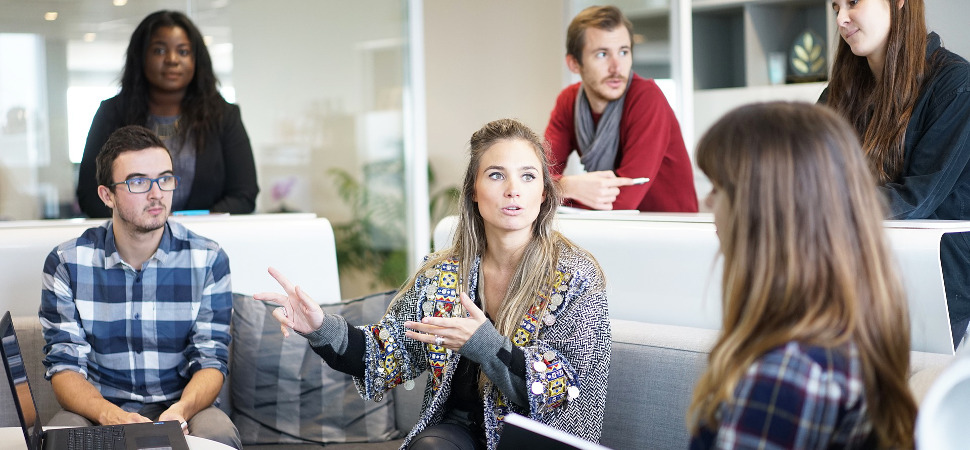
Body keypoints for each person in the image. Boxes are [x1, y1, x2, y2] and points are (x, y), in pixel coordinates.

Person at [255, 119, 611, 450]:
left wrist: (485, 345)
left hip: (536, 436)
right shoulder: (443, 273)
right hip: (456, 433)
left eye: (528, 176)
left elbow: (564, 389)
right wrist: (320, 328)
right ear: (474, 190)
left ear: (544, 194)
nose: (513, 190)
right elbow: (387, 353)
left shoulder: (577, 276)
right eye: (497, 175)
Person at [688, 102, 917, 448]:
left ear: (763, 211)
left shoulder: (786, 375)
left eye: (718, 188)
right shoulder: (847, 334)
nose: (707, 203)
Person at [41, 125, 240, 448]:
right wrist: (110, 415)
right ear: (107, 195)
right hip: (99, 408)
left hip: (182, 406)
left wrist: (180, 411)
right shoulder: (67, 262)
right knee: (60, 436)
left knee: (218, 433)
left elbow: (211, 359)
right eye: (138, 182)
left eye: (165, 178)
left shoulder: (208, 259)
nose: (156, 193)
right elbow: (64, 366)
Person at [822, 0, 970, 348]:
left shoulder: (955, 85)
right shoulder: (837, 95)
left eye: (854, 2)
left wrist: (811, 209)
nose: (842, 19)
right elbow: (803, 177)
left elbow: (915, 198)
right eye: (835, 7)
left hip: (935, 291)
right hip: (856, 283)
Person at [76, 10, 258, 218]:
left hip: (206, 241)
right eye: (159, 51)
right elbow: (90, 195)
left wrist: (188, 225)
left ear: (197, 60)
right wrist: (146, 222)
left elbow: (244, 194)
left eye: (183, 52)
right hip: (131, 244)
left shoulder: (224, 116)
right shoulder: (112, 113)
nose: (172, 60)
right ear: (141, 56)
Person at [544, 5, 697, 212]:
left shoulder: (647, 98)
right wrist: (569, 186)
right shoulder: (568, 101)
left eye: (623, 52)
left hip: (669, 232)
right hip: (613, 229)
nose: (617, 67)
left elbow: (623, 201)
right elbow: (536, 177)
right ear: (574, 64)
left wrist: (554, 190)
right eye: (602, 54)